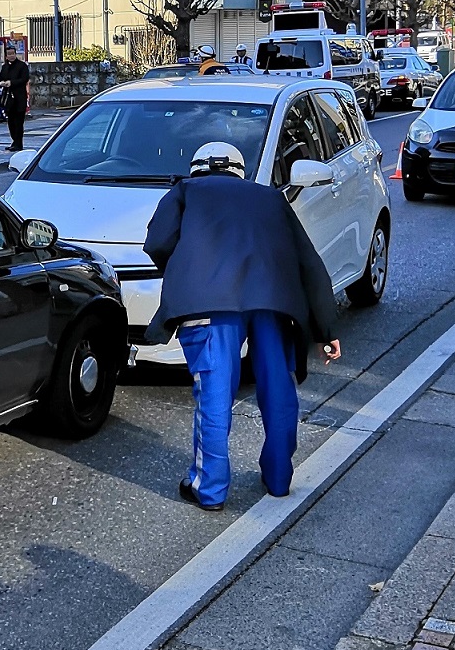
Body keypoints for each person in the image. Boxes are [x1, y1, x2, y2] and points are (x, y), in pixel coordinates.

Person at [143, 140, 341, 511]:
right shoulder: (270, 197)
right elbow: (309, 264)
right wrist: (326, 330)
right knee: (278, 387)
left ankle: (210, 489)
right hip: (273, 302)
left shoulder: (184, 191)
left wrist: (188, 270)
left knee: (215, 392)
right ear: (239, 169)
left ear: (197, 167)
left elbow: (157, 242)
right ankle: (279, 478)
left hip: (209, 304)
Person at [0, 42, 31, 151]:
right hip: (8, 99)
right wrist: (1, 83)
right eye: (9, 54)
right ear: (6, 56)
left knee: (19, 122)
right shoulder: (5, 67)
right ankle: (14, 141)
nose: (11, 56)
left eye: (13, 53)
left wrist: (11, 82)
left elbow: (24, 79)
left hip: (19, 97)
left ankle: (18, 143)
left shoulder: (22, 66)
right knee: (10, 122)